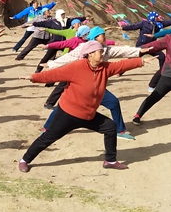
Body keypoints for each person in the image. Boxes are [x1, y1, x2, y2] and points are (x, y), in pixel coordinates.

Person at [17, 41, 145, 172]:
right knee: (48, 138)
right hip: (68, 114)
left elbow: (121, 64)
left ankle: (110, 161)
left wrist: (140, 62)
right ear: (90, 54)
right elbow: (54, 74)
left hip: (89, 115)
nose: (103, 54)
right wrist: (33, 77)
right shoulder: (77, 67)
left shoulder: (105, 68)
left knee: (110, 127)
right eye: (100, 52)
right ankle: (25, 160)